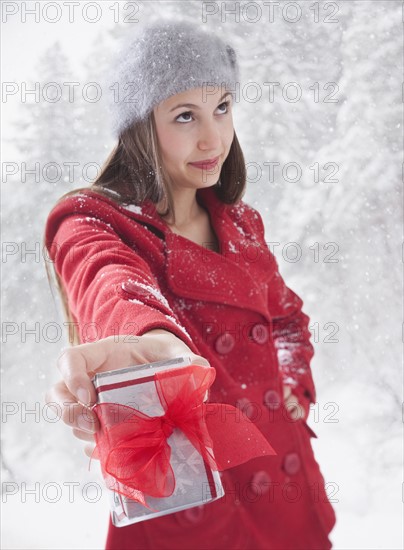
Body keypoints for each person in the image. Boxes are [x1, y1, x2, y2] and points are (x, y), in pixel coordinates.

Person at [43, 19, 337, 550]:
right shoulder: (93, 222)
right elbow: (108, 282)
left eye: (222, 107)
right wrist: (151, 345)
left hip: (282, 489)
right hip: (199, 509)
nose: (213, 138)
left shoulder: (240, 222)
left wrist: (293, 389)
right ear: (138, 125)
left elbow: (287, 321)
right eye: (185, 115)